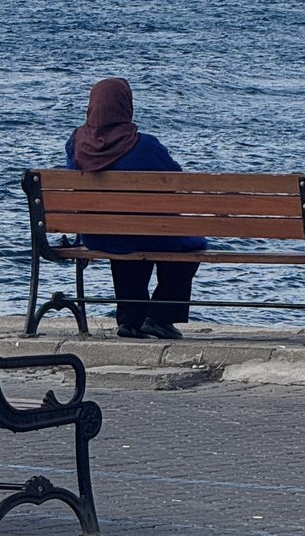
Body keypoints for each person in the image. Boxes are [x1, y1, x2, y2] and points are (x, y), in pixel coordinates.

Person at [65, 77, 206, 340]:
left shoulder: (77, 144)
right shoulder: (144, 145)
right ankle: (160, 316)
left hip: (97, 235)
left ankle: (130, 319)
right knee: (191, 243)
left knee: (125, 237)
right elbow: (176, 180)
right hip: (142, 231)